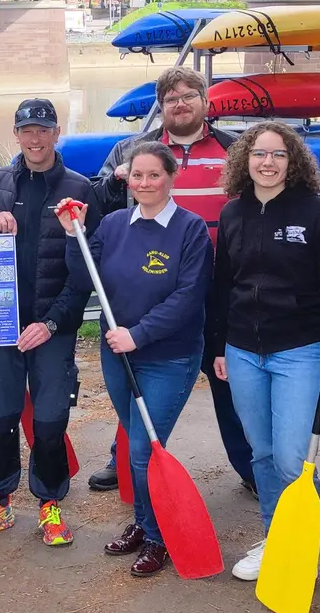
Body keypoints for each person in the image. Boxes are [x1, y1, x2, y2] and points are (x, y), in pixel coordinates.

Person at [207, 120, 320, 582]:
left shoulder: (317, 213)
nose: (268, 162)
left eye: (278, 155)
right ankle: (274, 535)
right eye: (260, 153)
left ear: (293, 161)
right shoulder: (234, 213)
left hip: (299, 349)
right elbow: (224, 284)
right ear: (245, 159)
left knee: (292, 456)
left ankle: (301, 541)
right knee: (261, 454)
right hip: (242, 350)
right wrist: (220, 345)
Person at [88, 66, 255, 499]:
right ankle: (125, 459)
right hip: (153, 284)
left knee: (227, 381)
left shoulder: (234, 148)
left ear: (205, 101)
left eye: (188, 96)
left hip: (223, 282)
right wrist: (116, 176)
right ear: (161, 106)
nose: (179, 104)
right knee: (136, 379)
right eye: (170, 98)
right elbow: (99, 203)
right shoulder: (132, 149)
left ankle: (253, 467)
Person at [62, 142, 211, 577]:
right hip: (118, 354)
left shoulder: (190, 229)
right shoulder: (112, 224)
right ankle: (145, 525)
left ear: (170, 178)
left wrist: (138, 334)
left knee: (145, 450)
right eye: (137, 176)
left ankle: (158, 535)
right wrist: (75, 237)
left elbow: (189, 296)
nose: (144, 183)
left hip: (168, 356)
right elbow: (84, 275)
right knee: (134, 446)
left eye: (154, 175)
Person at [0, 98, 100, 547]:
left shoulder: (79, 188)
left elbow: (85, 275)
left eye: (43, 129)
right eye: (26, 130)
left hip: (51, 327)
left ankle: (50, 503)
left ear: (56, 133)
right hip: (0, 326)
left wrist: (53, 324)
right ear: (17, 134)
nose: (35, 138)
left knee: (51, 418)